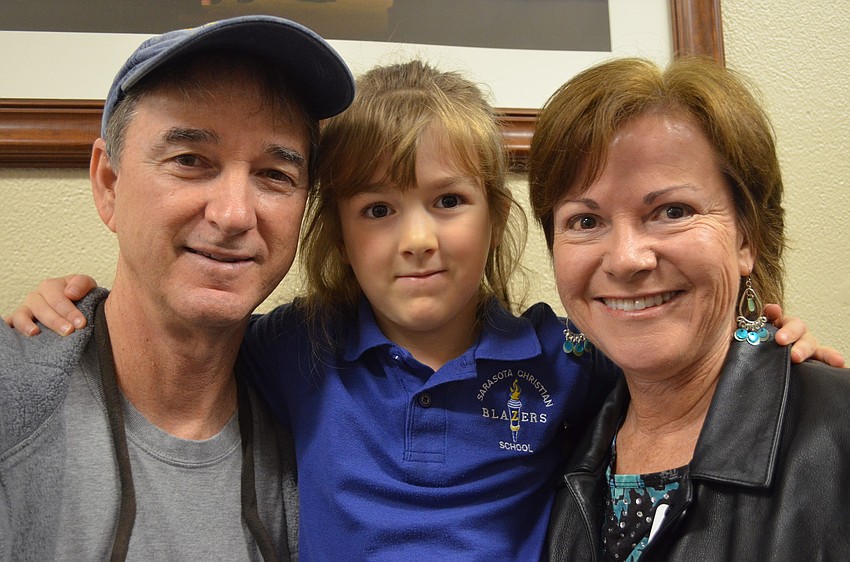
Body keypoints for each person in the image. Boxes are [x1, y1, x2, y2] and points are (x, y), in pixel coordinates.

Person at [7, 59, 839, 561]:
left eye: (447, 201)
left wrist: (762, 337)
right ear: (337, 233)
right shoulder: (299, 347)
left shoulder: (564, 357)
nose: (416, 240)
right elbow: (179, 335)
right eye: (377, 209)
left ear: (496, 218)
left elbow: (677, 366)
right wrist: (79, 304)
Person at [0, 15, 354, 561]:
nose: (234, 215)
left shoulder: (321, 408)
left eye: (274, 175)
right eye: (190, 161)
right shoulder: (15, 398)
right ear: (108, 184)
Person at [527, 56, 850, 560]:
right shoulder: (549, 438)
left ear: (747, 237)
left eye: (672, 211)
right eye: (585, 222)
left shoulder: (838, 433)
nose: (627, 259)